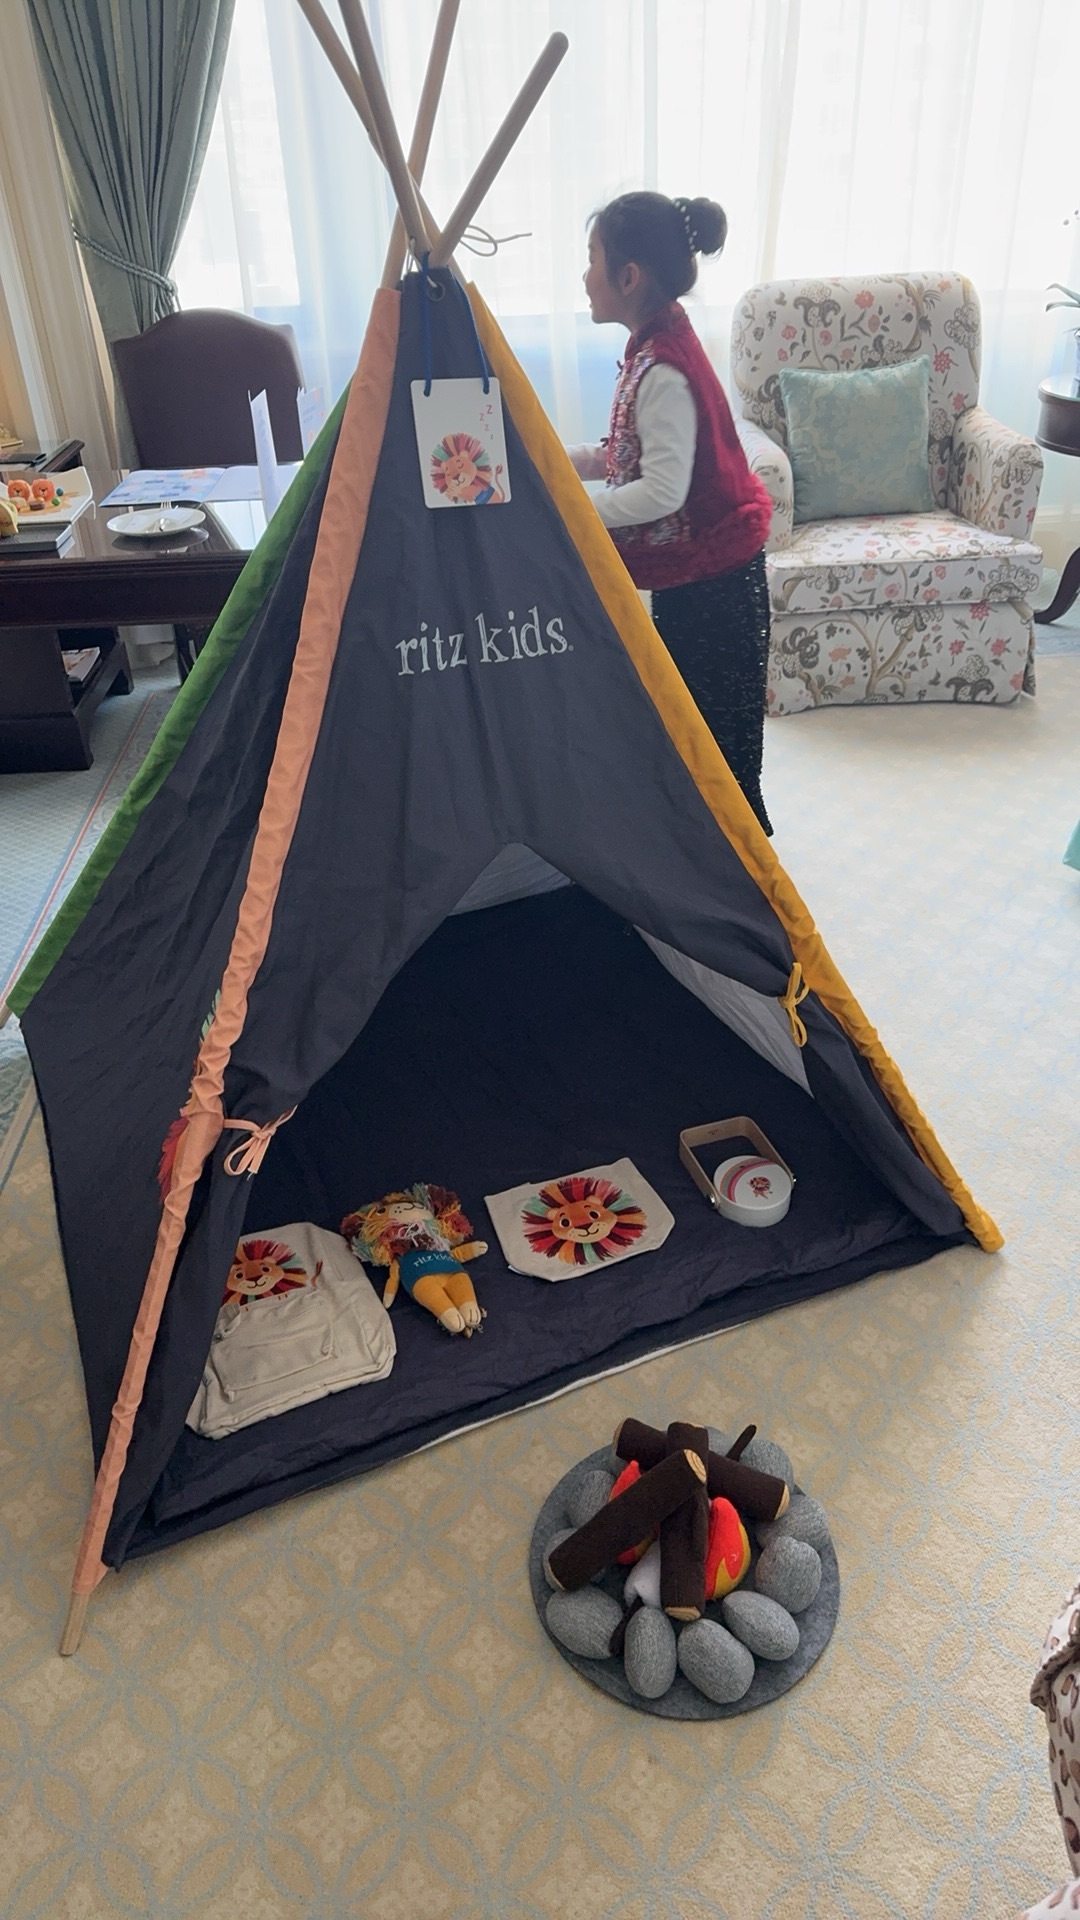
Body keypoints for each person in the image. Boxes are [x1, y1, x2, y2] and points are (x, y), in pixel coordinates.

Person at [567, 190, 774, 834]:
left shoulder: (663, 368)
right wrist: (553, 460)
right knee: (694, 726)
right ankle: (710, 846)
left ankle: (734, 862)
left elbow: (661, 491)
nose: (585, 276)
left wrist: (574, 509)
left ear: (629, 276)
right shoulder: (654, 344)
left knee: (711, 734)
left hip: (719, 586)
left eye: (593, 259)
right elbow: (631, 453)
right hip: (706, 577)